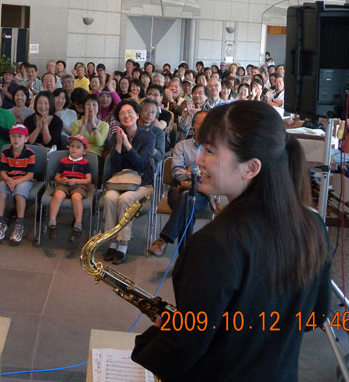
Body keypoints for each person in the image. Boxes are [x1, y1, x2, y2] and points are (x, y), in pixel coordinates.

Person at [132, 101, 331, 381]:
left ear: (250, 168)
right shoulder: (313, 226)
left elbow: (181, 349)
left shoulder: (215, 244)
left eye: (210, 151)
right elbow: (315, 317)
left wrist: (148, 342)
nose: (199, 160)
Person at [147, 110, 209, 257]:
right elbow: (177, 173)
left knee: (187, 200)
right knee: (187, 200)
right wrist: (197, 173)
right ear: (194, 126)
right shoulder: (182, 146)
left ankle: (163, 240)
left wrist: (192, 175)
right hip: (177, 189)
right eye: (202, 124)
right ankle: (184, 258)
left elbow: (215, 176)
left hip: (201, 192)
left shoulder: (214, 149)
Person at [102, 100, 155, 264]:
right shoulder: (115, 136)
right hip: (120, 181)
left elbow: (141, 164)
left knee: (125, 199)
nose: (126, 116)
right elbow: (116, 167)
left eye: (129, 112)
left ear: (137, 115)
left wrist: (127, 144)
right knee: (109, 197)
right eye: (122, 113)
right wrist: (119, 144)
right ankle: (112, 241)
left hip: (142, 184)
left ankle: (123, 244)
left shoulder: (148, 137)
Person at [0, 123, 36, 245]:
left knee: (19, 194)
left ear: (26, 139)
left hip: (23, 180)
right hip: (8, 179)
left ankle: (19, 223)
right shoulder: (5, 152)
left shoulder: (30, 153)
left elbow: (30, 175)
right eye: (13, 136)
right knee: (1, 192)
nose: (16, 139)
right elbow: (2, 173)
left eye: (20, 136)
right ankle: (0, 222)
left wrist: (15, 182)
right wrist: (8, 180)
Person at [47, 135, 93, 243]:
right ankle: (52, 224)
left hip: (79, 186)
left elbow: (88, 180)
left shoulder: (85, 163)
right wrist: (62, 180)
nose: (74, 149)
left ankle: (77, 227)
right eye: (72, 146)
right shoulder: (63, 161)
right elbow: (56, 177)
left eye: (78, 147)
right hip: (64, 184)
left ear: (84, 151)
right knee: (58, 195)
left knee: (76, 198)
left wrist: (76, 181)